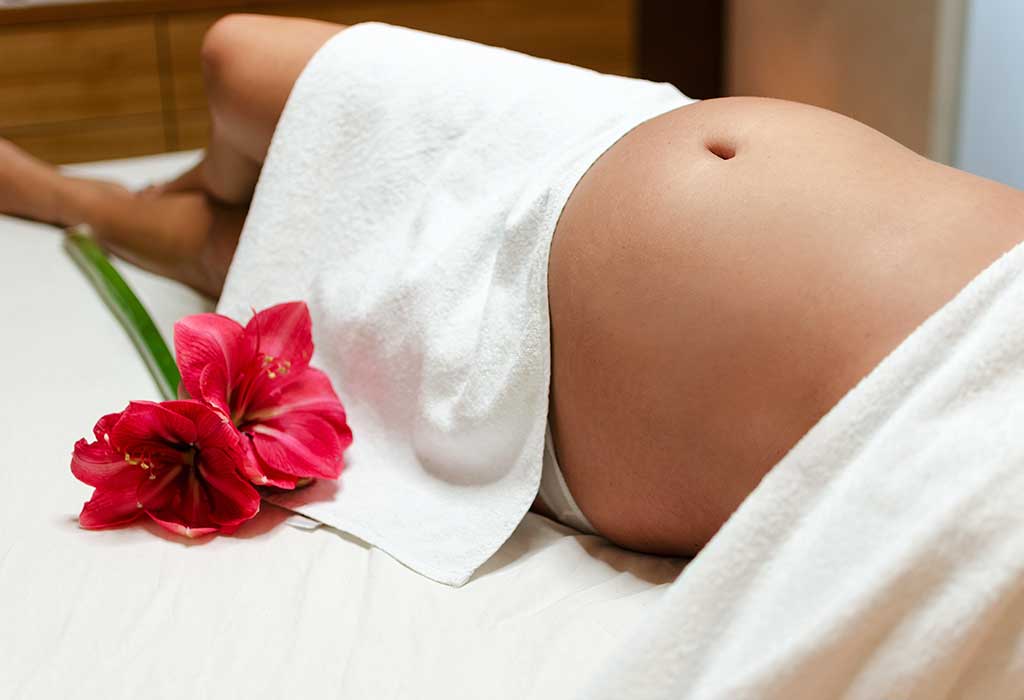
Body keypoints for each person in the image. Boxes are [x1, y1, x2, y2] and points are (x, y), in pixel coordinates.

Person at [2, 15, 1021, 558]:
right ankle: (204, 189)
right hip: (591, 135)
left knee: (241, 255)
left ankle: (83, 202)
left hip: (530, 373)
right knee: (236, 59)